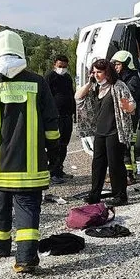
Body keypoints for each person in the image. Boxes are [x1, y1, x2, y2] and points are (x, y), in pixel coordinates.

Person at [0, 30, 61, 274]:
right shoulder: (38, 82)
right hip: (31, 165)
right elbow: (51, 122)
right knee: (28, 207)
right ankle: (26, 259)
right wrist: (56, 152)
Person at [75, 58, 136, 207]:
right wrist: (89, 82)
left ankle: (120, 194)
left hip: (115, 131)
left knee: (115, 164)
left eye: (99, 72)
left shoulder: (118, 86)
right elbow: (78, 97)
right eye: (94, 72)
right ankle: (95, 194)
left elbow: (132, 105)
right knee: (98, 164)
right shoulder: (95, 88)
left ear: (107, 72)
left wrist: (127, 107)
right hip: (100, 131)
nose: (96, 75)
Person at [110, 50, 140, 185]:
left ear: (126, 64)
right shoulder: (120, 79)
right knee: (120, 146)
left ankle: (130, 175)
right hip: (120, 117)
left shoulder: (133, 80)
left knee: (129, 146)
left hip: (131, 118)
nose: (115, 67)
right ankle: (121, 174)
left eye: (118, 64)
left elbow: (128, 100)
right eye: (114, 64)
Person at [44, 54, 76, 184]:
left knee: (64, 145)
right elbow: (45, 97)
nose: (62, 69)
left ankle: (60, 169)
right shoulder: (49, 77)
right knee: (55, 145)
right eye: (60, 66)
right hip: (55, 117)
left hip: (67, 115)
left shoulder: (67, 77)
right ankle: (53, 172)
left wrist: (74, 112)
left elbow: (71, 94)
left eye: (64, 66)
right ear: (54, 65)